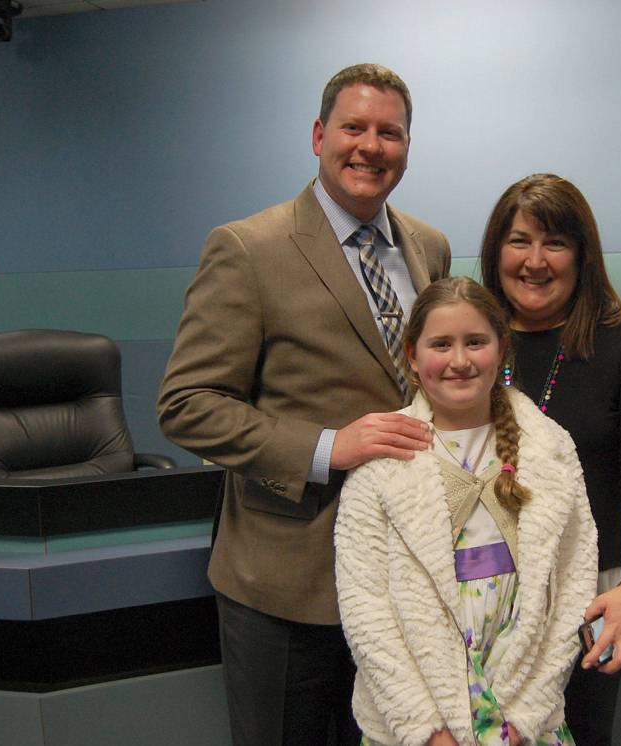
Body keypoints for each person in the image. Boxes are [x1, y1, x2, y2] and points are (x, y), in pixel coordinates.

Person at [157, 63, 450, 746]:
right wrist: (326, 447)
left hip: (404, 586)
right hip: (287, 585)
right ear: (319, 135)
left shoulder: (429, 247)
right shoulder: (247, 248)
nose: (371, 146)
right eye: (354, 127)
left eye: (390, 133)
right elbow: (186, 403)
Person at [335, 277, 598, 746]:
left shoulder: (550, 449)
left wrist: (524, 715)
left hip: (525, 716)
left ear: (502, 350)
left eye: (476, 342)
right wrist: (427, 730)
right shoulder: (381, 465)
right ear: (413, 356)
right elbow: (366, 610)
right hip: (415, 719)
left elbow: (574, 584)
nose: (459, 360)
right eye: (441, 344)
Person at [479, 174, 621, 746]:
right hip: (478, 598)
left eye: (556, 243)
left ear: (583, 255)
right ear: (496, 250)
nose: (535, 260)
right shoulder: (469, 342)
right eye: (519, 241)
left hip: (587, 597)